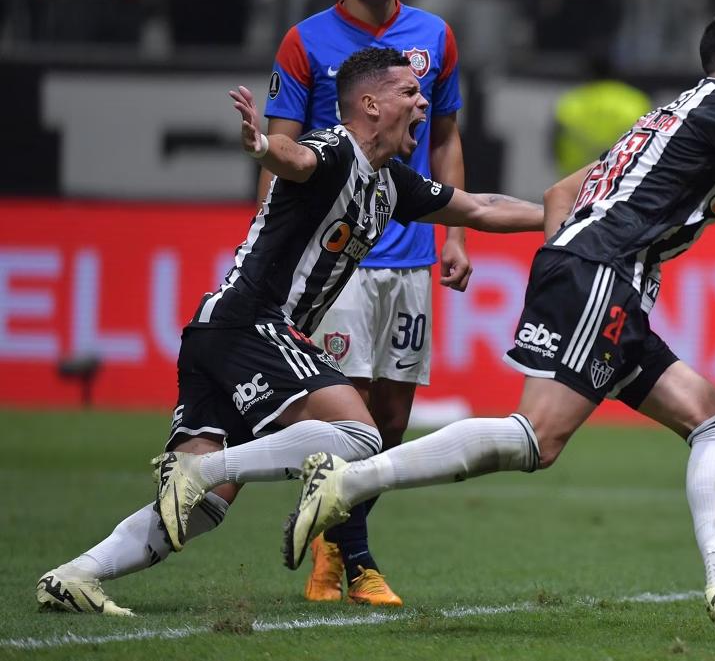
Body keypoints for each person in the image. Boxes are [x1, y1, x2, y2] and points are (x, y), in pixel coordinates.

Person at [282, 11, 715, 643]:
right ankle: (347, 480)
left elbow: (564, 190)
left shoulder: (676, 110)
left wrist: (572, 253)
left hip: (597, 276)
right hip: (603, 274)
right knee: (536, 439)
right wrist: (592, 259)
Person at [34, 48, 543, 616]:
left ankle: (76, 574)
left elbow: (480, 208)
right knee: (360, 435)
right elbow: (295, 159)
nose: (423, 102)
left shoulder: (390, 182)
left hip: (218, 332)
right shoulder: (334, 148)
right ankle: (201, 468)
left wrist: (561, 216)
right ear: (371, 105)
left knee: (202, 507)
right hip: (253, 322)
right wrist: (259, 147)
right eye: (409, 93)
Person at [259, 0, 469, 606]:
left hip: (410, 253)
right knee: (342, 415)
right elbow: (282, 146)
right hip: (334, 254)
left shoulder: (435, 36)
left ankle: (333, 539)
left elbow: (443, 138)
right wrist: (266, 240)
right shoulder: (305, 41)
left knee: (391, 421)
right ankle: (353, 559)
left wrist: (458, 234)